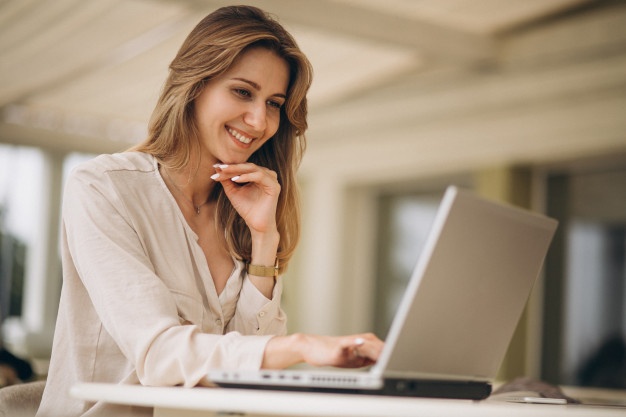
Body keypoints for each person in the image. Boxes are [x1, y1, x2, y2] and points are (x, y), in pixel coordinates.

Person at [36, 5, 383, 417]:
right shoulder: (104, 188)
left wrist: (263, 242)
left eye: (274, 102)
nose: (259, 120)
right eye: (242, 92)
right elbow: (160, 354)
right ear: (194, 84)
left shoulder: (242, 211)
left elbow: (239, 381)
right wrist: (301, 345)